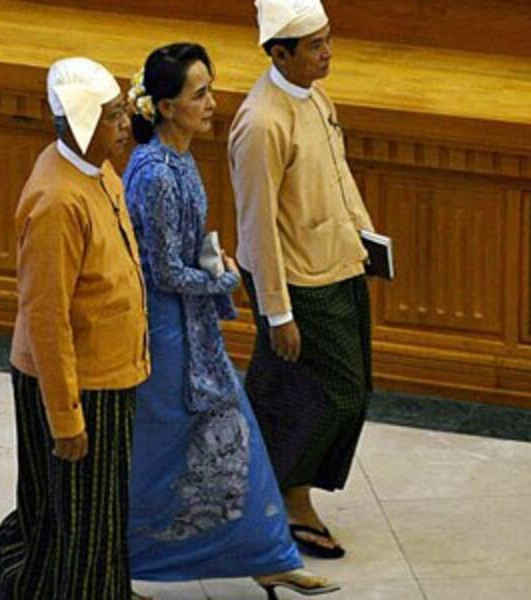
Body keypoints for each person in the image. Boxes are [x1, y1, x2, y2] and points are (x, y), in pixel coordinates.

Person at [0, 57, 149, 600]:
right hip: (79, 384)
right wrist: (66, 419)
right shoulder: (57, 200)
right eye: (114, 115)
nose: (125, 125)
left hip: (108, 374)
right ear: (79, 123)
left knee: (57, 516)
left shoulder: (95, 169)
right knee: (86, 534)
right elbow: (47, 319)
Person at [123, 43, 338, 599]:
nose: (213, 103)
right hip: (169, 337)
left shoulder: (179, 158)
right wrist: (225, 279)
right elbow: (165, 272)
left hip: (189, 332)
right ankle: (124, 559)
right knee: (163, 453)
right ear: (167, 106)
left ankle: (269, 555)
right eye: (200, 95)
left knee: (233, 441)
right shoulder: (156, 175)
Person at [228, 0, 375, 559]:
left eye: (328, 40)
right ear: (280, 53)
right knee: (337, 393)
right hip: (300, 283)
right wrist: (278, 312)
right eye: (315, 46)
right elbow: (256, 227)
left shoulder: (316, 96)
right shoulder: (261, 123)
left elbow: (339, 173)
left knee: (284, 391)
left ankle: (259, 490)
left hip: (339, 263)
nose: (328, 53)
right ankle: (289, 498)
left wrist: (364, 235)